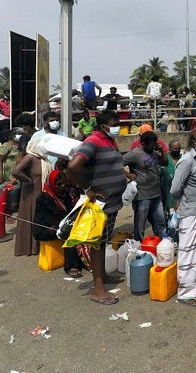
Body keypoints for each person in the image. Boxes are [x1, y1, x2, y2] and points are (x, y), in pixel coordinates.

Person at [68, 110, 128, 305]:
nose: (117, 127)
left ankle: (103, 275)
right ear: (103, 126)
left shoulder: (109, 140)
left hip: (112, 201)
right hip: (101, 203)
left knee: (104, 240)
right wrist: (88, 189)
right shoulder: (93, 141)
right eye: (114, 124)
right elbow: (74, 166)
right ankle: (98, 288)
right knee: (98, 243)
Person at [170, 127, 196, 305]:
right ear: (193, 142)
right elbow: (175, 189)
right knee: (188, 253)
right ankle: (185, 293)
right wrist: (180, 201)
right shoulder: (186, 161)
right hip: (190, 212)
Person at [32, 169, 87, 278]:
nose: (62, 186)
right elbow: (48, 219)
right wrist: (68, 224)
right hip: (45, 228)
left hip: (60, 222)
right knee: (68, 233)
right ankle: (71, 266)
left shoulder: (64, 194)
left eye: (64, 183)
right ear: (52, 184)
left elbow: (70, 211)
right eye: (59, 184)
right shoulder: (43, 198)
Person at [11, 138, 51, 256]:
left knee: (38, 217)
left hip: (40, 192)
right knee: (32, 217)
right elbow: (16, 171)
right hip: (31, 193)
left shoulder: (43, 159)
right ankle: (30, 247)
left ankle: (37, 247)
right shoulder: (30, 157)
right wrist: (29, 181)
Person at [123, 131, 166, 240]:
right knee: (140, 223)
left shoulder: (154, 153)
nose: (153, 146)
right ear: (143, 144)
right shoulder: (134, 154)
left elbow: (165, 163)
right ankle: (138, 243)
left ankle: (162, 241)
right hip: (142, 195)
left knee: (160, 220)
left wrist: (161, 150)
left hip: (156, 194)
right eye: (151, 145)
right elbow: (117, 164)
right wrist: (128, 174)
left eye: (154, 144)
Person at [161, 139, 182, 240]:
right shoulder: (166, 160)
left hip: (182, 198)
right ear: (169, 149)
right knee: (171, 222)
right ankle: (172, 240)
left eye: (178, 148)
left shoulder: (183, 159)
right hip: (169, 197)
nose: (177, 150)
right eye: (174, 148)